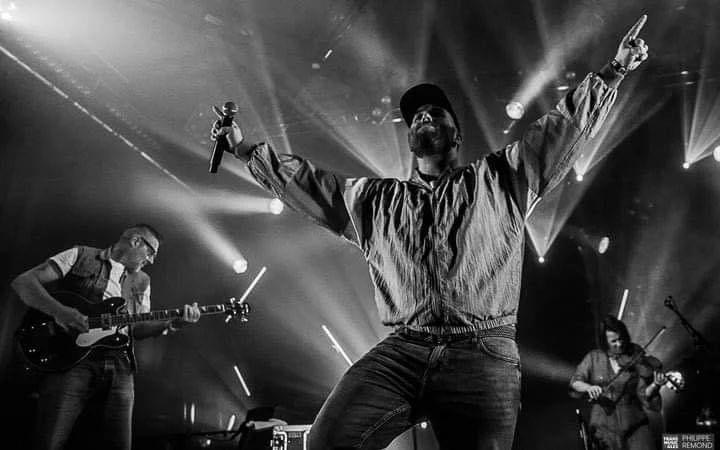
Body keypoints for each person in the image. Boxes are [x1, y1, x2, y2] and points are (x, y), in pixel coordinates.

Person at [212, 16, 650, 450]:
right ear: (409, 139)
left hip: (482, 351)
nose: (423, 115)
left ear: (456, 136)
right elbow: (310, 185)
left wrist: (614, 70)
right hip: (403, 351)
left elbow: (559, 131)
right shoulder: (375, 200)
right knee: (325, 440)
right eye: (416, 116)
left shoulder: (500, 178)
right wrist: (244, 148)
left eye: (435, 112)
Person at [10, 224, 202, 450]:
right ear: (136, 241)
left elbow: (137, 328)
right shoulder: (81, 255)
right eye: (151, 252)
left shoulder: (143, 281)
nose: (151, 260)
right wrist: (60, 312)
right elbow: (23, 282)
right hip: (72, 360)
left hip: (120, 365)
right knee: (50, 440)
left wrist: (173, 324)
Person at [570, 316, 666, 450]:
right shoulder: (594, 358)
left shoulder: (635, 355)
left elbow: (644, 393)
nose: (619, 344)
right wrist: (589, 388)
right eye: (613, 341)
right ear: (605, 342)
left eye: (621, 339)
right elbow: (575, 382)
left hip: (634, 422)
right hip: (604, 426)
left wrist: (656, 384)